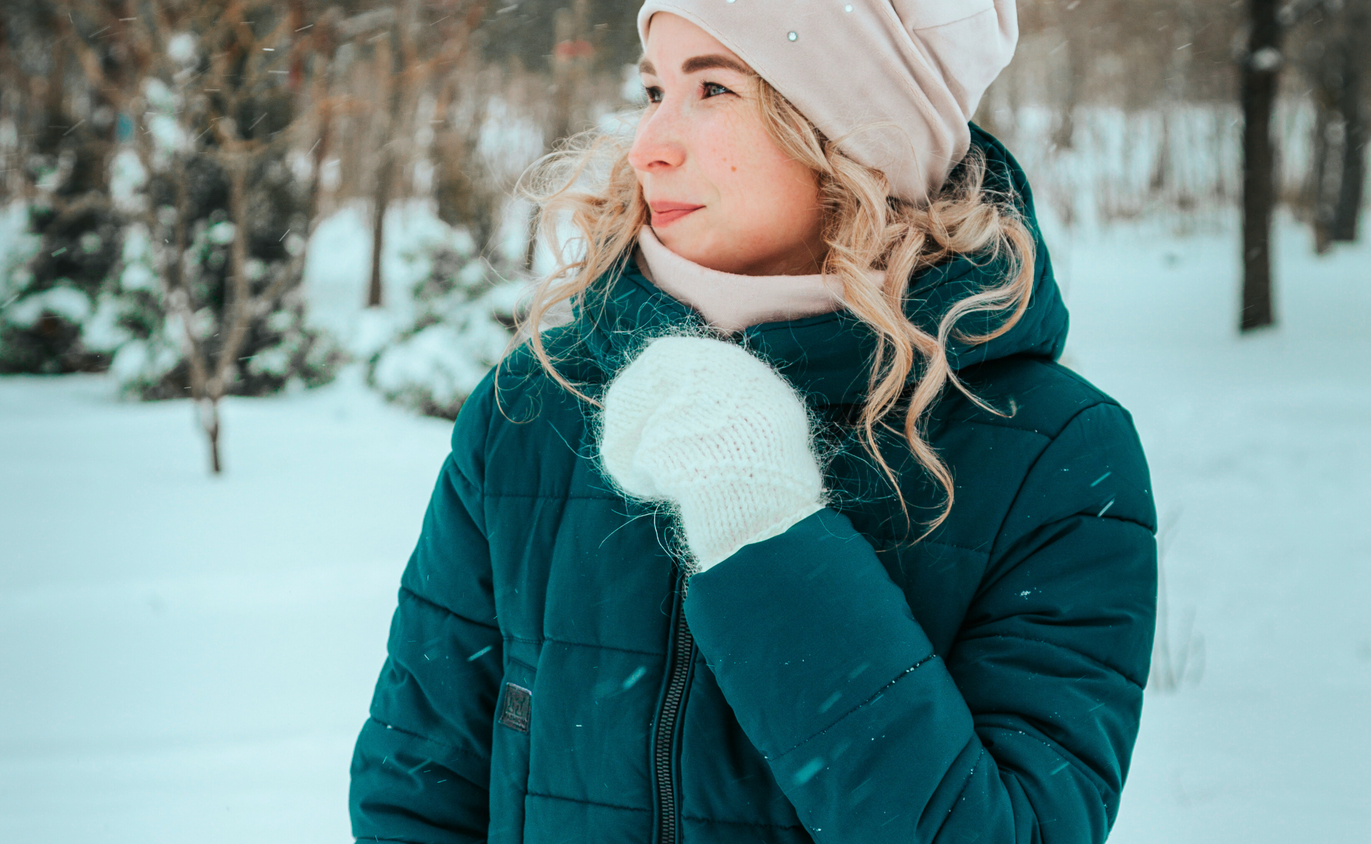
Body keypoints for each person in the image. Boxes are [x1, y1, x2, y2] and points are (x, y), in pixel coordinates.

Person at [349, 1, 1158, 842]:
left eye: (714, 89)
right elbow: (415, 795)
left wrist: (767, 532)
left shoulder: (1055, 453)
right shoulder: (538, 403)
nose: (649, 144)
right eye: (655, 88)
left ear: (854, 132)